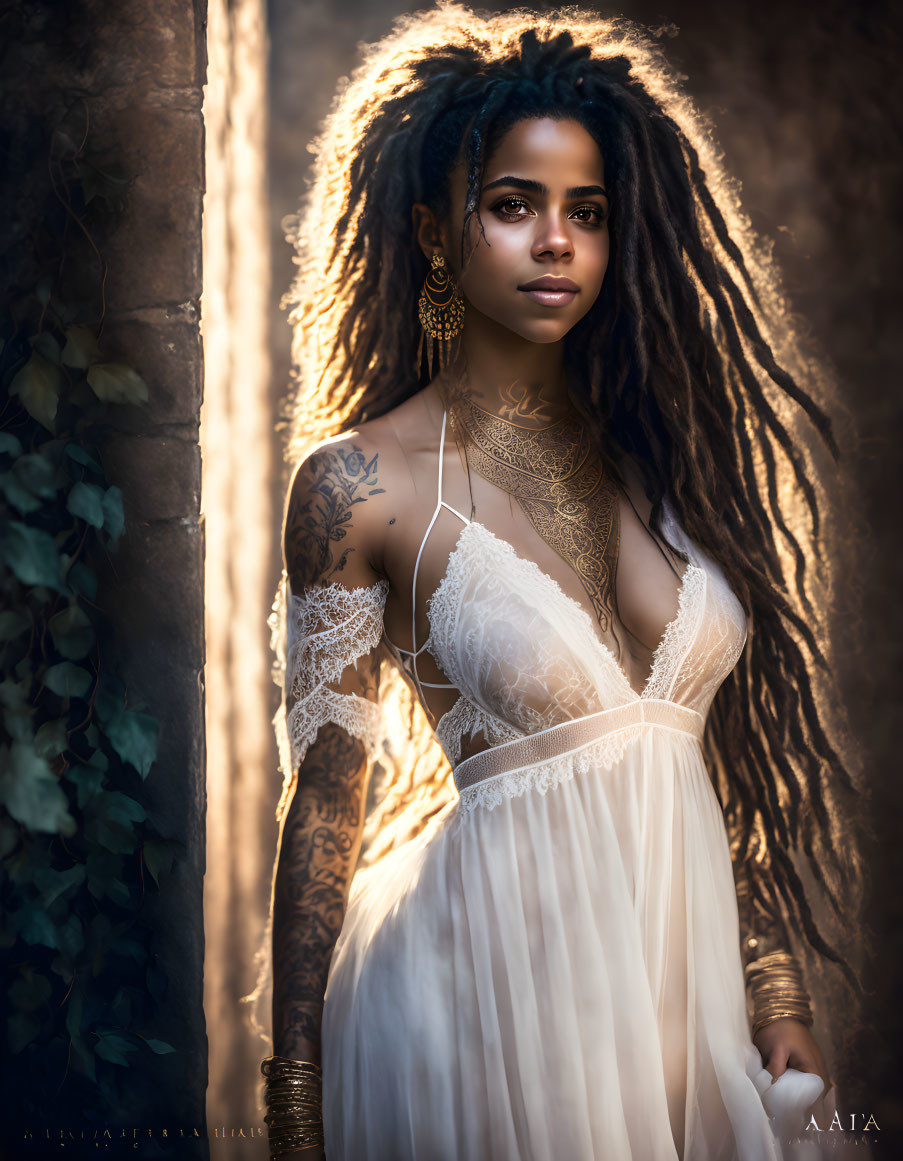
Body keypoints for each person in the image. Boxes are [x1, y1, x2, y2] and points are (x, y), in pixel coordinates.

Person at [257, 5, 867, 1159]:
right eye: (513, 205)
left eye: (585, 212)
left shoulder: (662, 452)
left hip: (677, 1017)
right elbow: (326, 800)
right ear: (437, 232)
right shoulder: (359, 486)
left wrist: (772, 981)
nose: (557, 242)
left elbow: (706, 751)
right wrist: (293, 1089)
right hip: (479, 1009)